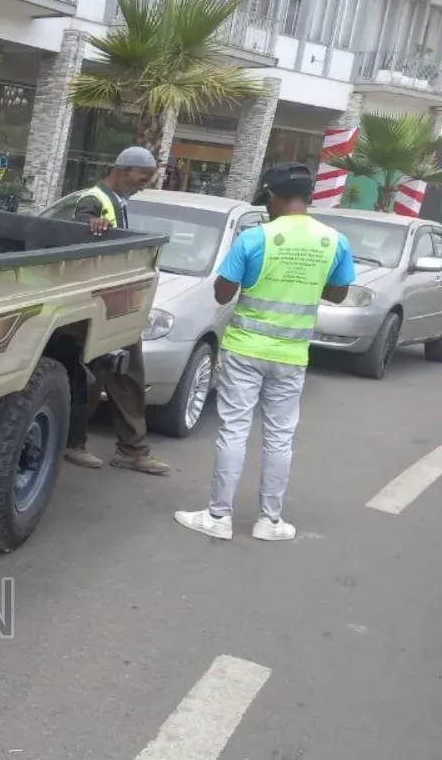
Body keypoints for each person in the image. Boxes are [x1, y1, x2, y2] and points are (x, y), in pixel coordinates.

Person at [174, 162, 354, 541]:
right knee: (279, 438)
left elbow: (222, 292)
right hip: (292, 355)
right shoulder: (334, 241)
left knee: (233, 430)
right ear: (307, 196)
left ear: (271, 195)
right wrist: (305, 281)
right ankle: (270, 521)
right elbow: (339, 293)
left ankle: (219, 517)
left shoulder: (255, 238)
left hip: (245, 351)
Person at [63, 146, 171, 476]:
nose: (143, 185)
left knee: (124, 376)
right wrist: (91, 223)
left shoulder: (117, 201)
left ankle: (128, 449)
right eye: (142, 177)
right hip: (99, 304)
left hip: (116, 303)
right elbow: (82, 225)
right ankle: (77, 443)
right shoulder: (94, 200)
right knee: (98, 377)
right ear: (124, 170)